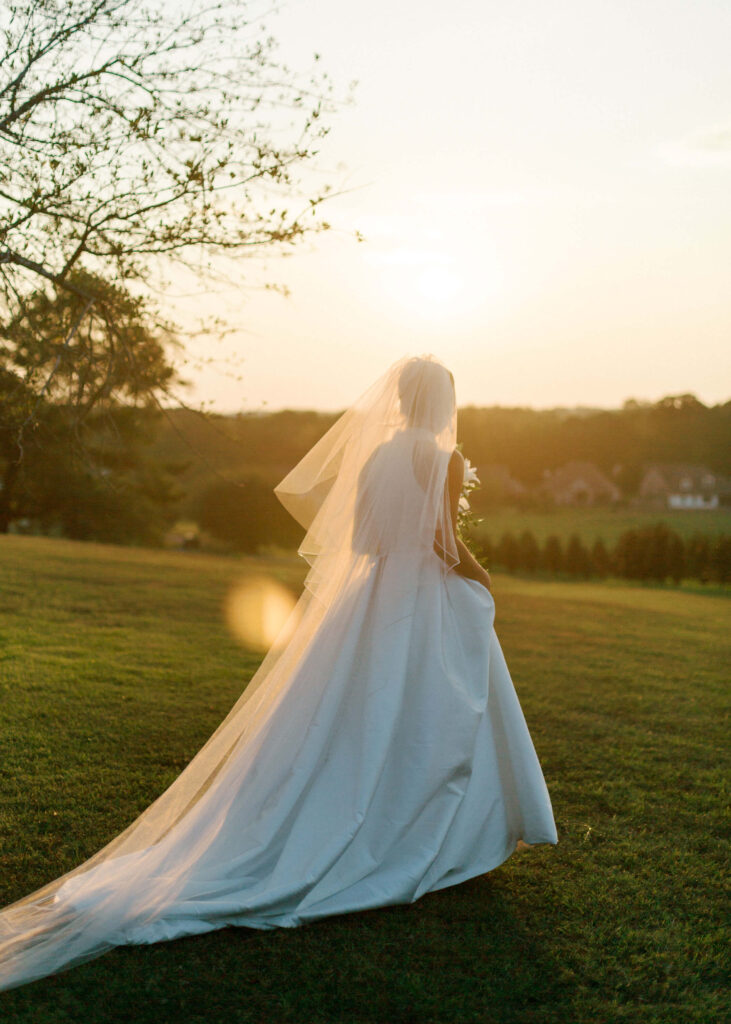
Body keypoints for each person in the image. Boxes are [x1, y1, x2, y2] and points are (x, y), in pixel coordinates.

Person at [0, 355, 557, 992]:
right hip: (421, 597)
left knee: (348, 714)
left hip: (369, 599)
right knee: (427, 714)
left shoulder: (376, 456)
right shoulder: (443, 458)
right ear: (440, 403)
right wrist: (482, 580)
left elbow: (368, 543)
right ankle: (422, 829)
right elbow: (442, 543)